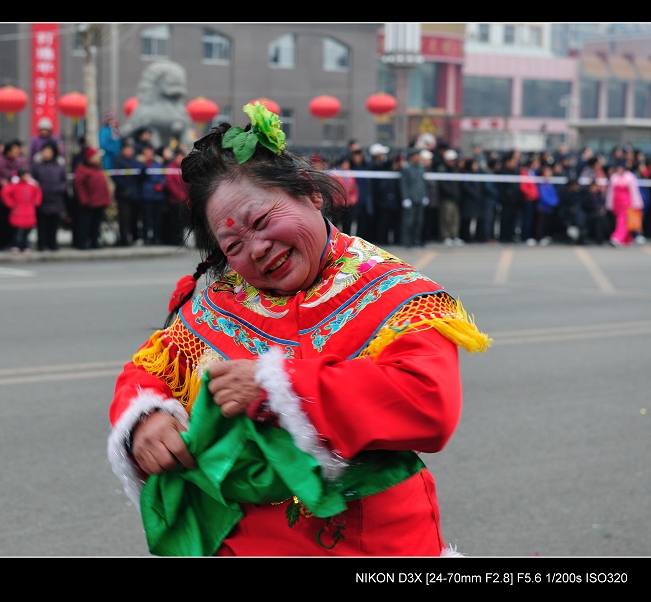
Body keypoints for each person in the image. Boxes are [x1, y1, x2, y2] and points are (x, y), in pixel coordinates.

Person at [106, 103, 491, 557]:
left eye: (262, 221)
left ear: (309, 192)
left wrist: (278, 384)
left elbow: (429, 404)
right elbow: (149, 370)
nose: (259, 249)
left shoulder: (395, 292)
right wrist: (146, 421)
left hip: (374, 545)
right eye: (234, 245)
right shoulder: (219, 300)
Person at [30, 140, 68, 251]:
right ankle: (41, 244)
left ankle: (53, 244)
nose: (47, 153)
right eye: (45, 151)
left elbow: (64, 181)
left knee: (54, 223)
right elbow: (32, 180)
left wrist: (59, 188)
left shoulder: (59, 166)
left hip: (56, 198)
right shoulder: (37, 166)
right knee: (42, 224)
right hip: (42, 198)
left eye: (49, 151)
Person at [0, 140, 27, 250]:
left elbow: (24, 174)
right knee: (2, 220)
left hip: (16, 196)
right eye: (14, 151)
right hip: (2, 196)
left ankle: (13, 242)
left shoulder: (19, 162)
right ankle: (1, 242)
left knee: (14, 220)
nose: (16, 154)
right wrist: (2, 181)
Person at [73, 145, 111, 250]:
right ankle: (83, 242)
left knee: (96, 224)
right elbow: (79, 186)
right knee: (85, 224)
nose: (98, 158)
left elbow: (104, 185)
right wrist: (84, 199)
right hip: (88, 202)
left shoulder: (98, 169)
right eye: (96, 156)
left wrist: (107, 198)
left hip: (100, 201)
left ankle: (95, 240)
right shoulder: (82, 169)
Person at [0, 168, 41, 253]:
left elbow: (38, 192)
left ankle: (25, 245)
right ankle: (16, 245)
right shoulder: (15, 185)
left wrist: (35, 202)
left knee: (28, 230)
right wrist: (11, 204)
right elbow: (4, 193)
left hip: (29, 209)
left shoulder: (32, 185)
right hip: (18, 210)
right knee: (18, 230)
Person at [605, 159, 645, 247]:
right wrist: (609, 204)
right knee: (622, 221)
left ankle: (617, 237)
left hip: (627, 203)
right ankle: (626, 239)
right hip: (616, 203)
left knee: (623, 221)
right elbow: (610, 192)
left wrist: (636, 203)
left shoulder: (630, 177)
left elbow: (634, 192)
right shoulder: (614, 177)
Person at [111, 139, 143, 247]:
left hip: (135, 194)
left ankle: (135, 237)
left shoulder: (136, 161)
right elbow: (115, 176)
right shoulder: (118, 160)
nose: (130, 151)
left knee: (134, 218)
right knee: (124, 218)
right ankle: (124, 240)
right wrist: (124, 188)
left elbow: (140, 175)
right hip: (123, 194)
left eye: (131, 149)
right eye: (128, 148)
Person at [399, 147, 429, 248]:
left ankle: (417, 240)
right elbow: (404, 184)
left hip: (420, 198)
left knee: (419, 221)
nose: (417, 158)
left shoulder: (421, 168)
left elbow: (423, 184)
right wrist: (405, 198)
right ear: (412, 157)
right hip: (410, 198)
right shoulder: (407, 169)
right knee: (409, 221)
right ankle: (407, 240)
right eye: (416, 156)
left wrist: (425, 195)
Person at [138, 142, 166, 245]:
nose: (148, 154)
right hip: (146, 195)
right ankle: (146, 237)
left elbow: (163, 176)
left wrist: (161, 184)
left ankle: (156, 237)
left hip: (157, 195)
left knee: (157, 218)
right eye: (146, 152)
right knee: (146, 218)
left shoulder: (157, 164)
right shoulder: (140, 164)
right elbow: (139, 179)